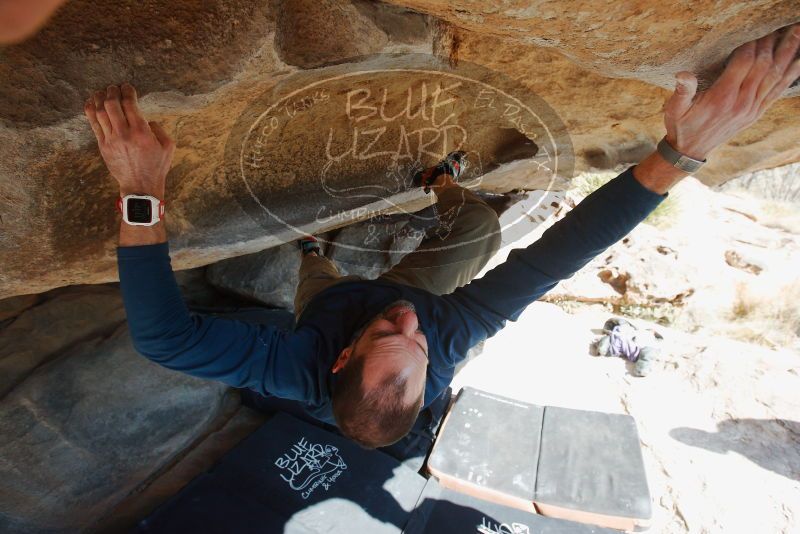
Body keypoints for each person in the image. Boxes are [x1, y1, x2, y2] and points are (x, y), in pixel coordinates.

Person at [84, 27, 800, 449]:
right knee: (482, 227)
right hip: (416, 294)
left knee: (320, 284)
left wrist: (141, 193)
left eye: (389, 335)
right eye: (418, 344)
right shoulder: (443, 334)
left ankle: (314, 251)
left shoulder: (295, 361)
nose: (410, 325)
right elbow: (560, 253)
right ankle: (442, 186)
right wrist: (679, 155)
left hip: (330, 308)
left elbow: (163, 340)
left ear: (338, 360)